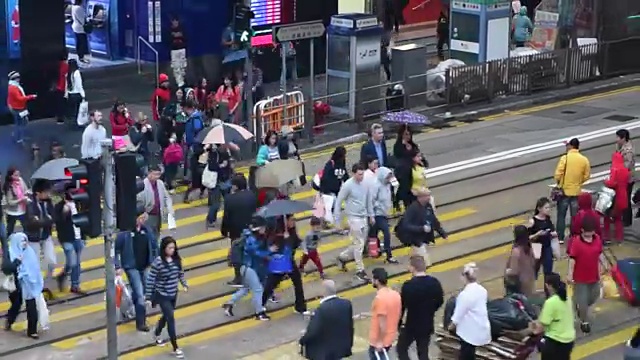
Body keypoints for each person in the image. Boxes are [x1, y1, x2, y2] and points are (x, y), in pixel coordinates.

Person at [145, 236, 187, 358]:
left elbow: (180, 273)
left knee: (167, 316)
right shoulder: (158, 262)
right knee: (170, 319)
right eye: (170, 248)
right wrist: (148, 297)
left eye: (173, 247)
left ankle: (157, 332)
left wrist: (184, 284)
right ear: (164, 248)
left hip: (173, 293)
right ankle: (175, 347)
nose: (172, 250)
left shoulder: (176, 260)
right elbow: (151, 280)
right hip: (162, 295)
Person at [114, 213, 158, 332]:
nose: (144, 220)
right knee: (139, 293)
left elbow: (154, 246)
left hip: (145, 265)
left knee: (145, 291)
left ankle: (132, 308)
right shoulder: (124, 234)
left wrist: (156, 260)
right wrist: (118, 266)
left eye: (144, 217)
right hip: (131, 267)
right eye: (141, 217)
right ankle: (141, 322)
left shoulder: (147, 230)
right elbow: (115, 250)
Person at [397, 255, 444, 360]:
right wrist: (430, 310)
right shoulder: (434, 283)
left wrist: (398, 323)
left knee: (402, 348)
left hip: (411, 324)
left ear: (413, 267)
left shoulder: (408, 286)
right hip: (427, 323)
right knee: (423, 351)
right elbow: (440, 301)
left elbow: (402, 306)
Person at [223, 217, 271, 320]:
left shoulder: (253, 236)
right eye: (263, 227)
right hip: (249, 267)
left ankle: (229, 303)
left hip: (248, 267)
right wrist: (268, 252)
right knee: (258, 290)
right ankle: (259, 313)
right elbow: (255, 252)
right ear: (258, 228)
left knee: (245, 289)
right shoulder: (251, 239)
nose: (265, 229)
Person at [262, 215, 309, 315]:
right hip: (280, 264)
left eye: (294, 220)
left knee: (298, 283)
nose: (293, 222)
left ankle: (300, 307)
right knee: (271, 284)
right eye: (291, 220)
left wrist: (301, 243)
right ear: (285, 221)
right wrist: (286, 239)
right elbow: (278, 249)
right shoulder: (277, 234)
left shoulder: (291, 231)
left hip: (290, 262)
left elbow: (295, 243)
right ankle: (261, 304)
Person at [335, 163, 375, 282]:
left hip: (363, 217)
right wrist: (337, 221)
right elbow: (338, 201)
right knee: (359, 244)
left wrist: (371, 215)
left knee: (359, 244)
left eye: (362, 174)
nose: (361, 177)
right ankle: (359, 269)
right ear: (353, 173)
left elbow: (368, 199)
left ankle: (342, 257)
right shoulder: (347, 185)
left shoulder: (366, 183)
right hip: (353, 218)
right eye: (359, 174)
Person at [567, 217, 607, 334]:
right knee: (583, 302)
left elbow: (600, 254)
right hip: (580, 279)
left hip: (594, 276)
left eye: (592, 232)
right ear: (582, 230)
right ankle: (584, 321)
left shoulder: (597, 239)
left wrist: (604, 265)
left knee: (594, 295)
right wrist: (570, 274)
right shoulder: (576, 242)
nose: (590, 235)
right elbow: (572, 259)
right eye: (588, 233)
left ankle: (579, 304)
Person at [299, 280, 354, 360]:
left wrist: (302, 340)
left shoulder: (321, 309)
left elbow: (313, 331)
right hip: (341, 348)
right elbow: (350, 325)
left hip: (326, 352)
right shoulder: (346, 304)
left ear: (324, 291)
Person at [448, 262, 491, 360]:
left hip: (469, 333)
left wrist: (450, 327)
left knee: (466, 355)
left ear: (464, 277)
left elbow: (457, 316)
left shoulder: (465, 295)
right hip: (481, 328)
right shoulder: (482, 290)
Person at [221, 174, 258, 287]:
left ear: (235, 186)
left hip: (236, 231)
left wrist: (224, 230)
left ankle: (239, 278)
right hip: (251, 229)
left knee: (237, 255)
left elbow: (226, 217)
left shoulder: (229, 199)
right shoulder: (252, 195)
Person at [5, 232, 42, 338]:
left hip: (28, 283)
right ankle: (10, 320)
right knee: (17, 304)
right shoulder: (10, 253)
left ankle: (32, 330)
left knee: (31, 305)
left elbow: (35, 267)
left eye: (25, 240)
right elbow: (6, 269)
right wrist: (17, 262)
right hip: (16, 284)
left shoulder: (29, 252)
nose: (24, 243)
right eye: (21, 241)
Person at [553, 137, 590, 245]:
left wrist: (560, 182)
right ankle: (574, 235)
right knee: (575, 216)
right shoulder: (584, 160)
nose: (566, 147)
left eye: (567, 145)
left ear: (571, 146)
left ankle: (560, 237)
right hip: (576, 191)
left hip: (564, 191)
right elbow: (587, 176)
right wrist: (578, 182)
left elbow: (557, 174)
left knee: (561, 215)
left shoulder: (565, 158)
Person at [24, 179, 57, 298]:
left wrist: (44, 221)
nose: (48, 194)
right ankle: (36, 289)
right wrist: (46, 220)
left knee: (52, 262)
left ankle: (45, 284)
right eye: (46, 192)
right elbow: (32, 223)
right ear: (38, 193)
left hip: (46, 236)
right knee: (35, 264)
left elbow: (53, 218)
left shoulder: (48, 203)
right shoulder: (30, 204)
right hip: (34, 238)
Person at [398, 187, 447, 266]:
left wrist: (442, 233)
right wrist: (421, 228)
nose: (429, 198)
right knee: (425, 262)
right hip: (414, 239)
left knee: (415, 259)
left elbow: (433, 220)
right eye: (426, 196)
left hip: (422, 238)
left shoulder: (428, 206)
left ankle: (413, 268)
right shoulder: (412, 209)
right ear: (420, 197)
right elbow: (406, 225)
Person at [533, 273, 576, 360]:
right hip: (569, 341)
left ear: (547, 286)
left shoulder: (550, 302)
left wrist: (532, 330)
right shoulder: (567, 298)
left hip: (555, 342)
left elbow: (541, 326)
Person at [54, 184, 86, 294]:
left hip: (79, 237)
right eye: (71, 191)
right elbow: (57, 222)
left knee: (76, 263)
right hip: (66, 238)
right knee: (72, 262)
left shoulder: (79, 204)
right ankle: (63, 275)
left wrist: (84, 236)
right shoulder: (59, 206)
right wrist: (64, 211)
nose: (73, 193)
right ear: (66, 193)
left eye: (75, 191)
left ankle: (75, 285)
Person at [369, 268, 401, 360]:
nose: (371, 281)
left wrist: (379, 341)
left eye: (373, 279)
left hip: (378, 341)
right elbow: (396, 313)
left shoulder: (379, 299)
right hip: (390, 337)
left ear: (377, 281)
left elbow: (382, 323)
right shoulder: (395, 294)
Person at [139, 165, 175, 237]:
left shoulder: (160, 183)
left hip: (158, 215)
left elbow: (166, 197)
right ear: (149, 173)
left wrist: (170, 209)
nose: (157, 177)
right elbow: (139, 202)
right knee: (148, 235)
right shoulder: (142, 184)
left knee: (157, 234)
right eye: (155, 174)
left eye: (158, 174)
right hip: (148, 215)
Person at [371, 167, 398, 263]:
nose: (389, 179)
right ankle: (388, 254)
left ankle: (375, 251)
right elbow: (372, 201)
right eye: (388, 177)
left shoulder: (387, 185)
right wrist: (378, 207)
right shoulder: (376, 186)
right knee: (386, 233)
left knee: (373, 234)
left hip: (383, 213)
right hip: (377, 214)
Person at [603, 152, 630, 243]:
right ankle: (619, 237)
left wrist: (606, 181)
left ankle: (607, 237)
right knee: (618, 218)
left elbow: (612, 183)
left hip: (615, 198)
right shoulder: (625, 169)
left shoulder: (615, 169)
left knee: (607, 216)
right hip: (623, 196)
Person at [528, 197, 558, 279]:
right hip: (536, 247)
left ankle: (547, 288)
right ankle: (530, 288)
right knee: (534, 269)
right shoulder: (533, 221)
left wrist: (553, 233)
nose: (548, 210)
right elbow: (528, 237)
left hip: (547, 246)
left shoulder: (548, 219)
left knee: (548, 269)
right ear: (539, 209)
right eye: (546, 208)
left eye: (549, 207)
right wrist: (537, 234)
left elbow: (552, 230)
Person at [205, 144, 234, 227]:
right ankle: (210, 220)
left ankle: (229, 219)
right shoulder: (213, 153)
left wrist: (229, 163)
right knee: (216, 204)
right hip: (216, 181)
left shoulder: (226, 151)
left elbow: (230, 165)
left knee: (228, 201)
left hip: (226, 180)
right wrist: (221, 165)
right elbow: (211, 167)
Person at [319, 146, 349, 226]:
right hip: (329, 190)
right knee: (333, 206)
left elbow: (345, 175)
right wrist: (323, 191)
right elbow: (325, 177)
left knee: (335, 207)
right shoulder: (330, 164)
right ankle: (329, 222)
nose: (345, 157)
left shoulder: (342, 163)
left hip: (337, 190)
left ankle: (333, 222)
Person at [506, 225, 536, 297]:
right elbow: (534, 262)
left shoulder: (516, 251)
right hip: (530, 280)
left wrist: (506, 272)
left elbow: (514, 271)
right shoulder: (529, 247)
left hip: (519, 284)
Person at [7, 71, 36, 144]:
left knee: (22, 122)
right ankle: (18, 137)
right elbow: (19, 98)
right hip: (18, 108)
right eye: (17, 78)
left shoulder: (14, 86)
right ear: (14, 78)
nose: (19, 79)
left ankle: (19, 136)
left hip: (20, 107)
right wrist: (31, 96)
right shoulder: (13, 88)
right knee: (20, 123)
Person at [616, 129, 635, 226]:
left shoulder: (628, 150)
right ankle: (624, 218)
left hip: (627, 179)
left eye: (618, 137)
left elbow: (627, 165)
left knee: (626, 199)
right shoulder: (620, 146)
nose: (616, 139)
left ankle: (627, 221)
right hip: (621, 177)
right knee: (622, 198)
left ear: (623, 138)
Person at [3, 167, 29, 237]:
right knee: (10, 230)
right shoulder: (9, 186)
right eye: (15, 175)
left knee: (26, 228)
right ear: (10, 176)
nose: (18, 177)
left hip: (22, 210)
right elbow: (10, 202)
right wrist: (21, 200)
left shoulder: (21, 180)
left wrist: (27, 193)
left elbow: (25, 190)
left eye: (18, 174)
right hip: (12, 212)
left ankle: (26, 242)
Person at [167, 16, 187, 87]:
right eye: (173, 21)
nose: (175, 22)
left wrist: (177, 35)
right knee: (176, 68)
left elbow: (186, 37)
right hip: (174, 50)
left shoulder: (182, 28)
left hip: (182, 49)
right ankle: (179, 83)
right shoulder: (169, 30)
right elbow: (168, 40)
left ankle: (183, 82)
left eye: (176, 21)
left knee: (183, 67)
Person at [65, 59, 85, 127]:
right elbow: (79, 85)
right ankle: (78, 123)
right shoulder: (76, 73)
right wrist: (83, 95)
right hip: (76, 94)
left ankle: (73, 123)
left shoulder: (68, 73)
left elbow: (67, 85)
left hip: (70, 94)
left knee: (73, 110)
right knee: (78, 110)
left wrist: (66, 94)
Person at [55, 50, 69, 124]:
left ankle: (59, 118)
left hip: (58, 86)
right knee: (63, 104)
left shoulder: (58, 65)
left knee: (59, 103)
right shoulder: (66, 66)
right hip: (63, 87)